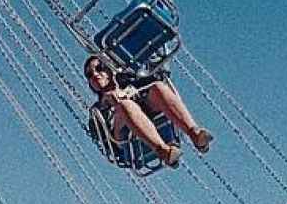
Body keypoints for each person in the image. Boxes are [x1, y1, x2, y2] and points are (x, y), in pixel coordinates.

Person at [83, 54, 212, 169]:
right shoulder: (98, 110)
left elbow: (156, 78)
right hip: (124, 137)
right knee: (124, 104)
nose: (95, 74)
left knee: (157, 88)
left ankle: (194, 133)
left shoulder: (132, 83)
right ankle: (163, 150)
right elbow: (104, 141)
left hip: (147, 112)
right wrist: (110, 101)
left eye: (99, 68)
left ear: (110, 70)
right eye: (89, 74)